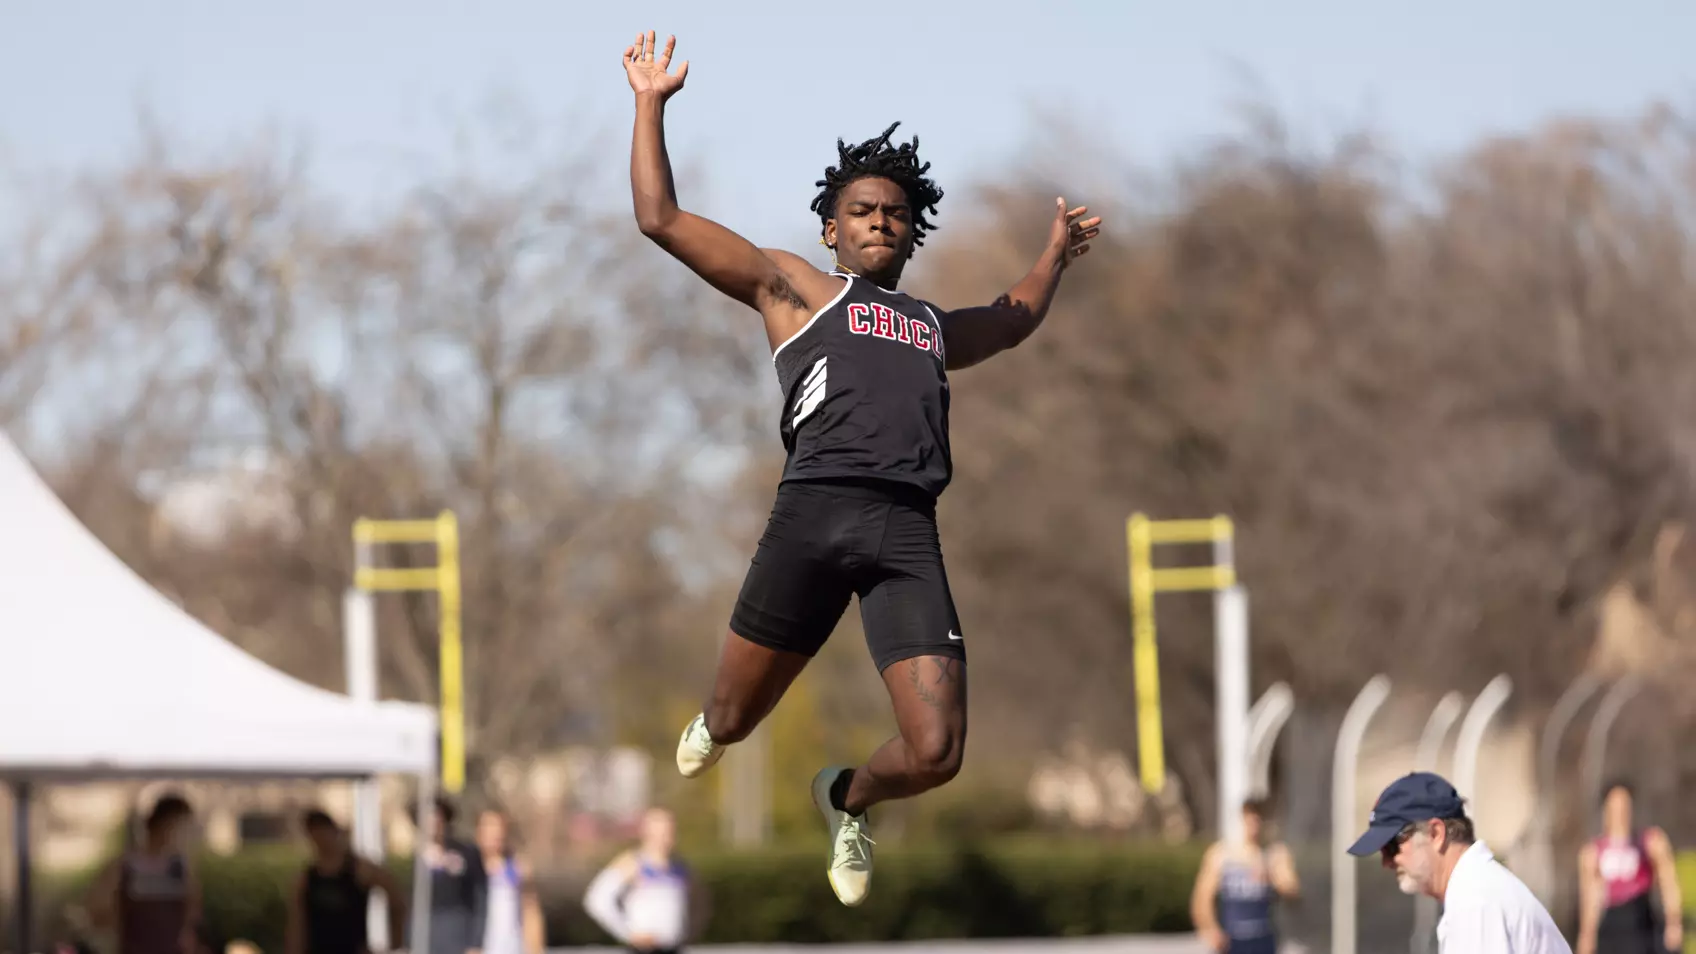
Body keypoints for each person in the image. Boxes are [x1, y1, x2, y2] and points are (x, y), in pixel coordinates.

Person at [620, 29, 1102, 908]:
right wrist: (650, 103)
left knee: (937, 753)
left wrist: (1054, 255)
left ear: (912, 230)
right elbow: (661, 219)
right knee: (730, 723)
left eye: (895, 212)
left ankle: (846, 797)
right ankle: (714, 720)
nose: (880, 219)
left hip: (906, 535)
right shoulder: (797, 290)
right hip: (810, 520)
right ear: (830, 228)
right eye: (863, 211)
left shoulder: (929, 325)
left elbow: (1015, 318)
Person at [1347, 771, 1569, 954]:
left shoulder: (1476, 900)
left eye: (1392, 846)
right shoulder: (1474, 889)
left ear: (1435, 834)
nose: (1387, 862)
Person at [86, 793, 205, 954]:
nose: (186, 836)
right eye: (182, 827)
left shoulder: (181, 868)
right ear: (164, 824)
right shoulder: (125, 865)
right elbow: (98, 912)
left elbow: (192, 914)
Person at [1577, 780, 1683, 954]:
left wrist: (1674, 922)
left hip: (1641, 921)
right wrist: (1586, 936)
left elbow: (1668, 882)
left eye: (1624, 806)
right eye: (1615, 806)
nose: (1620, 812)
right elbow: (1590, 896)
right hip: (1612, 924)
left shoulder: (1649, 841)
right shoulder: (1593, 851)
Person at [284, 808, 408, 954]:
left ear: (332, 831)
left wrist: (395, 942)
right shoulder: (306, 878)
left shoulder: (360, 870)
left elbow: (397, 900)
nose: (321, 840)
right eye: (315, 834)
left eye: (323, 832)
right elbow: (297, 925)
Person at [583, 808, 706, 954]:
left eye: (670, 830)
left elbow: (695, 906)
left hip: (673, 948)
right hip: (644, 949)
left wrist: (688, 934)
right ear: (647, 832)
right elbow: (597, 900)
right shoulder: (633, 863)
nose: (666, 837)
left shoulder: (679, 867)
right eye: (661, 831)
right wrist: (628, 933)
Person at [1189, 798, 1300, 954]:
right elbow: (1202, 897)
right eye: (1250, 819)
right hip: (1232, 940)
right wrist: (1210, 929)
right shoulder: (1221, 854)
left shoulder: (1275, 854)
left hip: (1263, 939)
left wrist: (1272, 876)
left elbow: (1292, 890)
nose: (1254, 825)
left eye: (1259, 819)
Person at [417, 796, 487, 954]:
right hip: (425, 939)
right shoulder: (415, 861)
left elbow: (479, 897)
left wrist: (476, 942)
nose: (433, 824)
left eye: (438, 817)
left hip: (457, 939)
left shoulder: (466, 854)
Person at [473, 808, 545, 954]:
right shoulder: (470, 869)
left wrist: (536, 949)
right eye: (489, 827)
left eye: (499, 827)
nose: (496, 833)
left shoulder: (518, 868)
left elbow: (531, 913)